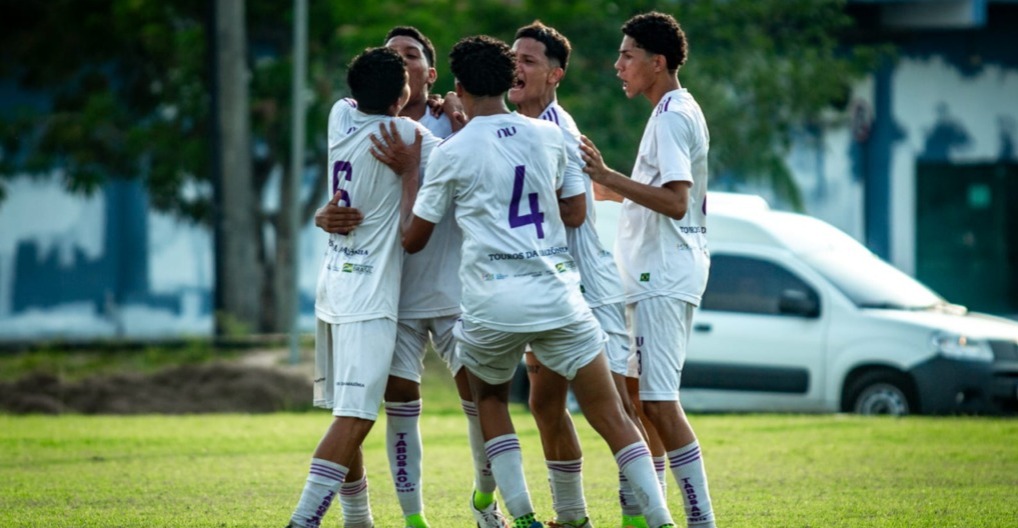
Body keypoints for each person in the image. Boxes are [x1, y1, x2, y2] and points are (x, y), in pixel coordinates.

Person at [399, 34, 676, 528]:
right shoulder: (551, 136)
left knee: (489, 400)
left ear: (457, 86)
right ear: (510, 80)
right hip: (556, 295)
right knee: (610, 413)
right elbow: (573, 210)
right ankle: (660, 520)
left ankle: (523, 517)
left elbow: (415, 239)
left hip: (491, 302)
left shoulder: (451, 152)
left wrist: (409, 179)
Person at [315, 27, 501, 528]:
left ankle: (488, 501)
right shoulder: (368, 122)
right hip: (391, 295)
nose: (399, 58)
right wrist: (322, 213)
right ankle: (413, 518)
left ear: (429, 74)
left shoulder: (453, 124)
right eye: (392, 53)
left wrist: (457, 134)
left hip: (455, 290)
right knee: (399, 409)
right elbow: (347, 187)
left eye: (411, 53)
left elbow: (484, 186)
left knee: (483, 401)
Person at [507, 21, 659, 528]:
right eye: (513, 58)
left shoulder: (560, 129)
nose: (516, 67)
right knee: (545, 403)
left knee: (613, 406)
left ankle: (639, 518)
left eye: (528, 60)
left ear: (556, 74)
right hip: (545, 285)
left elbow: (572, 212)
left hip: (589, 286)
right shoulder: (509, 125)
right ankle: (572, 518)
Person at [285, 46, 439, 528]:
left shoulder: (338, 116)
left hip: (332, 283)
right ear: (404, 93)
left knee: (342, 411)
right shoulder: (412, 136)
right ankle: (303, 519)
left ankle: (358, 520)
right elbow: (417, 223)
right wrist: (412, 167)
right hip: (369, 299)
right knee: (355, 418)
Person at [578, 11, 717, 527]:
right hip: (646, 275)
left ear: (656, 63)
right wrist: (588, 182)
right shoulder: (666, 112)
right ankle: (646, 513)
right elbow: (633, 193)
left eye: (627, 55)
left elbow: (676, 202)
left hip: (663, 275)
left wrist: (607, 173)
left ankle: (700, 520)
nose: (618, 65)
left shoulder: (674, 116)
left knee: (659, 403)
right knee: (639, 399)